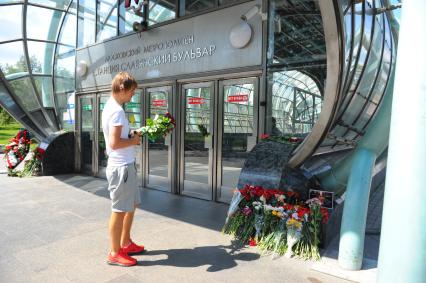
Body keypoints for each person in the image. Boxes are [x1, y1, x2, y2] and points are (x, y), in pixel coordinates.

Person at [102, 72, 144, 267]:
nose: (132, 95)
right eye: (132, 91)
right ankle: (114, 252)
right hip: (121, 169)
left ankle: (125, 243)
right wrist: (134, 140)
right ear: (121, 88)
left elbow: (119, 136)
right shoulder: (117, 111)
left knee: (131, 205)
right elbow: (115, 143)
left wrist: (134, 133)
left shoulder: (113, 107)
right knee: (119, 210)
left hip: (125, 166)